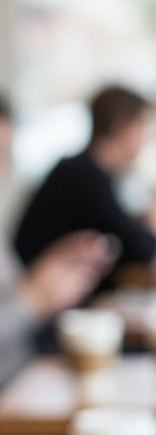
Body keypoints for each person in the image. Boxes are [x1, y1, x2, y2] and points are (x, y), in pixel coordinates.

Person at [0, 95, 112, 388]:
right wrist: (33, 300)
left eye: (3, 156)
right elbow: (22, 302)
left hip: (29, 379)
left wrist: (52, 266)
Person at [14, 85, 156, 285]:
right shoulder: (83, 177)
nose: (146, 141)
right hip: (38, 303)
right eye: (143, 129)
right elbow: (141, 249)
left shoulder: (88, 171)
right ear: (121, 127)